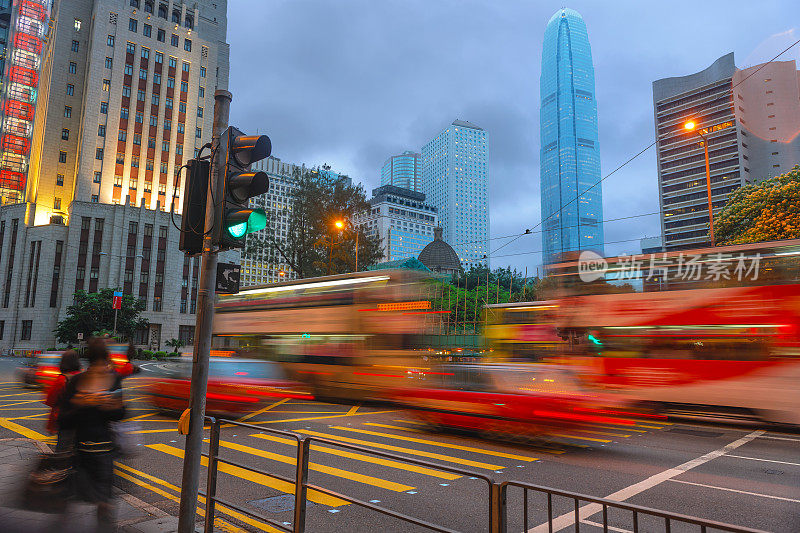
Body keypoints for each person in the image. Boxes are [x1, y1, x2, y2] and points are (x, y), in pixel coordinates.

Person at [59, 338, 126, 530]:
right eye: (96, 363)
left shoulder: (114, 379)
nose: (100, 368)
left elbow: (121, 414)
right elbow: (63, 420)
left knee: (104, 503)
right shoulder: (77, 381)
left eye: (102, 363)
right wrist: (81, 404)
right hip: (81, 452)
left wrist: (110, 406)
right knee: (74, 499)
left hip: (101, 451)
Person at [43, 350, 81, 445]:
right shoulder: (82, 377)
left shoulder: (61, 379)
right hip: (81, 417)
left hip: (65, 418)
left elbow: (50, 400)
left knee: (63, 447)